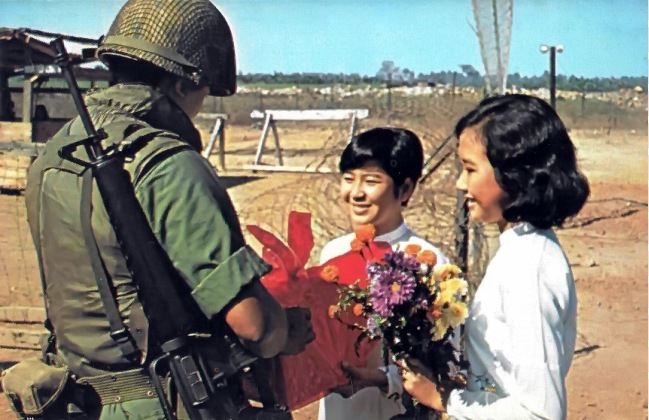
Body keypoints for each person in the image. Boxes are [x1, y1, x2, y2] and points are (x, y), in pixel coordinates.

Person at [23, 1, 312, 418]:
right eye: (204, 89)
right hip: (165, 403)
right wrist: (285, 330)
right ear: (181, 84)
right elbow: (255, 326)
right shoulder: (168, 164)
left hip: (77, 403)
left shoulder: (53, 157)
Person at [400, 94, 590, 419]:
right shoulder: (519, 250)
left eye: (470, 169)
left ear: (514, 173)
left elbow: (539, 414)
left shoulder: (529, 268)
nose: (461, 183)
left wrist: (447, 401)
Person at [318, 127, 450, 420]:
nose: (356, 193)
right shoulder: (332, 254)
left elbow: (445, 361)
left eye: (371, 181)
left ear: (406, 189)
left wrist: (383, 378)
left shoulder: (427, 262)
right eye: (349, 179)